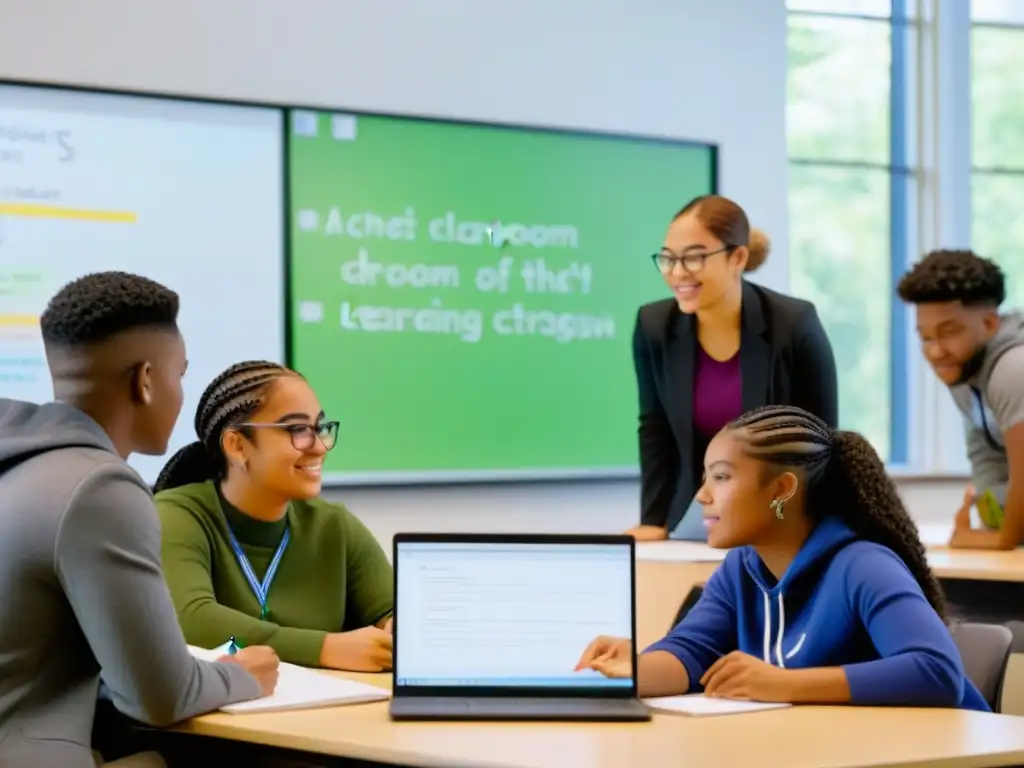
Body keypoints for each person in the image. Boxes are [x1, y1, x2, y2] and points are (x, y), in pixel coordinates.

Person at [0, 272, 279, 768]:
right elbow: (159, 699)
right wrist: (245, 674)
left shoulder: (19, 464)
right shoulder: (100, 489)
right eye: (180, 374)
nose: (179, 393)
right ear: (146, 381)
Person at [578, 405, 987, 711]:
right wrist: (636, 667)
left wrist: (783, 684)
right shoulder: (741, 568)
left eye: (720, 477)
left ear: (781, 491)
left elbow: (937, 672)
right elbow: (690, 652)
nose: (701, 496)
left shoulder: (862, 565)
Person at [152, 360, 395, 672]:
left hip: (323, 713)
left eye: (320, 428)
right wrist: (324, 649)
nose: (319, 446)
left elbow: (391, 610)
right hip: (216, 716)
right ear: (237, 446)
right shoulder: (177, 514)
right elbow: (191, 621)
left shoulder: (334, 525)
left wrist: (397, 628)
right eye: (297, 430)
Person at [627, 194, 838, 543]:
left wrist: (801, 528)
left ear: (737, 257)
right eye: (667, 258)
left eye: (693, 257)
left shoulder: (793, 324)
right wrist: (654, 519)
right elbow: (656, 430)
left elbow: (822, 440)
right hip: (695, 520)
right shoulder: (654, 326)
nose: (677, 272)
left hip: (780, 519)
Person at [897, 250, 1024, 552]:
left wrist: (1001, 540)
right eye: (925, 337)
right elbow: (987, 459)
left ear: (991, 323)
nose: (935, 352)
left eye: (949, 332)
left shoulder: (1013, 368)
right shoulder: (963, 369)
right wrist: (992, 528)